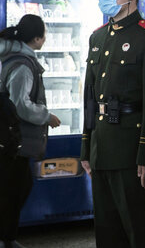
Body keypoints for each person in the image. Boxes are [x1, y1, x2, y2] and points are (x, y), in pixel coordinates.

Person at [81, 0, 145, 248]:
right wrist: (86, 145)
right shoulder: (98, 37)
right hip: (101, 149)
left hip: (132, 152)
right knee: (107, 233)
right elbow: (90, 97)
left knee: (140, 230)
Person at [0, 15, 60, 248]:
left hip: (13, 140)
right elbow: (20, 104)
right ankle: (6, 238)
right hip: (16, 141)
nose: (45, 38)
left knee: (16, 188)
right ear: (36, 38)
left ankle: (8, 238)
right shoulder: (23, 65)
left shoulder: (16, 58)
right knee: (13, 190)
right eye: (44, 34)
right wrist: (47, 115)